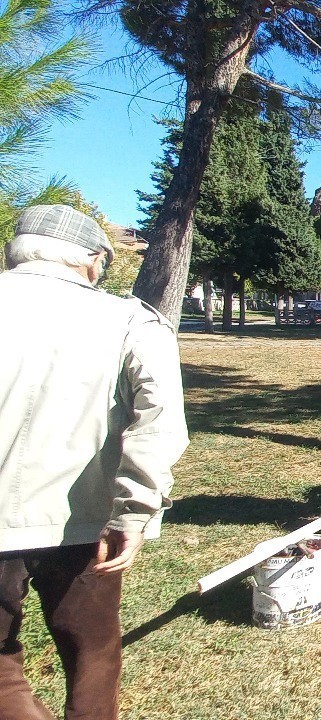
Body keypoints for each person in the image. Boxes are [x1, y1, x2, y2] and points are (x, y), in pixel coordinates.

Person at [0, 204, 189, 720]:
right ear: (90, 259)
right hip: (84, 525)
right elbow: (158, 424)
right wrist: (133, 512)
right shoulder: (129, 320)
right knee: (93, 655)